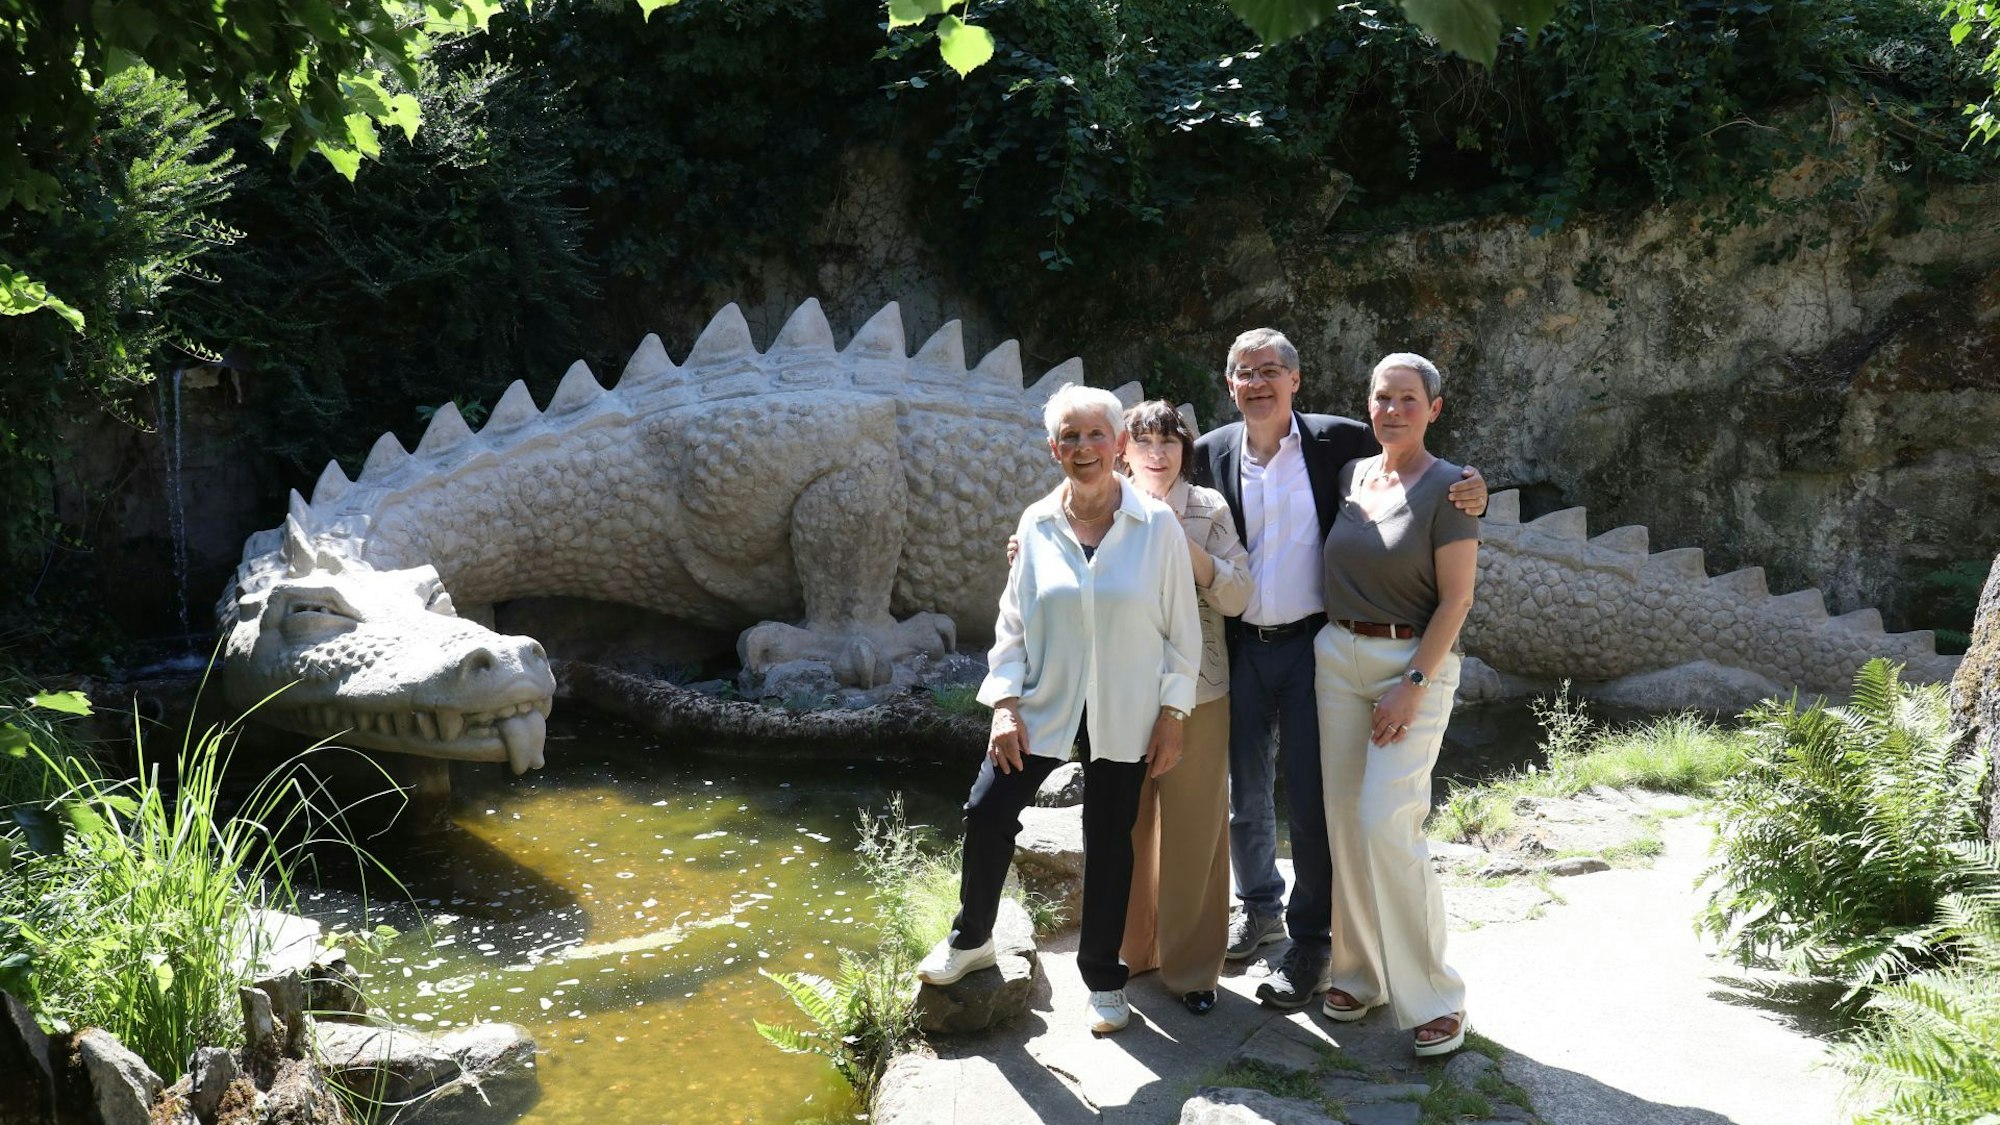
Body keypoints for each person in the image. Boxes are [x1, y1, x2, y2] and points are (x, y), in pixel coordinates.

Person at [1191, 329, 1485, 1011]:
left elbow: (1430, 477)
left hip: (1315, 644)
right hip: (1251, 645)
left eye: (1271, 370)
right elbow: (1149, 488)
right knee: (1251, 790)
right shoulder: (1213, 451)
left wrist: (1477, 489)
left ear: (1297, 380)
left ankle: (1317, 943)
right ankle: (1268, 911)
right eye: (1244, 372)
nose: (1258, 382)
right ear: (1229, 383)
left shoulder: (1337, 444)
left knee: (1335, 808)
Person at [916, 384, 1202, 1034]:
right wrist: (1003, 705)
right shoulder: (1036, 524)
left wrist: (1172, 712)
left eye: (1095, 434)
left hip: (1125, 706)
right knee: (987, 810)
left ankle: (1104, 979)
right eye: (1069, 437)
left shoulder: (1156, 526)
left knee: (1110, 839)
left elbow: (1183, 631)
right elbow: (1012, 623)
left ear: (1118, 444)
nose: (1082, 448)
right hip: (1043, 702)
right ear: (1053, 448)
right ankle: (972, 939)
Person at [1314, 352, 1477, 1056]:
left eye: (1408, 399)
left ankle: (1436, 996)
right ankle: (1361, 971)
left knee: (1389, 818)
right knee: (1345, 821)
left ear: (1434, 408)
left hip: (1413, 664)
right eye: (1382, 397)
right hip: (1336, 656)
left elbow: (1459, 599)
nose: (1393, 410)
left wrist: (1411, 684)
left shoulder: (1452, 490)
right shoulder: (1354, 472)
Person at [1113, 400, 1252, 1016]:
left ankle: (1194, 970)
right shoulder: (1102, 502)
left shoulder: (1209, 508)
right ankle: (1128, 953)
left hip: (1200, 690)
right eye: (1145, 441)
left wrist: (1186, 549)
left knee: (1197, 829)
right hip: (1122, 690)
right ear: (1124, 450)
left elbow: (1241, 593)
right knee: (1124, 826)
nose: (1158, 453)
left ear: (1183, 450)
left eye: (1169, 441)